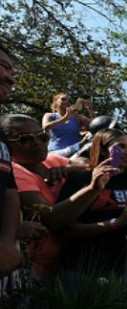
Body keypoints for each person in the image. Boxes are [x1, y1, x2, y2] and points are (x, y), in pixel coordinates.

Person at [0, 114, 95, 281]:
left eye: (42, 137)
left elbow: (91, 167)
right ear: (6, 144)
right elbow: (49, 219)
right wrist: (93, 188)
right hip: (29, 271)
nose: (38, 143)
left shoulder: (53, 161)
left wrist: (72, 170)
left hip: (62, 265)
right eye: (26, 139)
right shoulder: (14, 173)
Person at [56, 129, 127, 276]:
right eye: (121, 147)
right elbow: (66, 229)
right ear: (103, 150)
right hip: (79, 268)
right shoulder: (82, 180)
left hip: (121, 269)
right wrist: (116, 223)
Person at [0, 46, 22, 277]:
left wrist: (6, 242)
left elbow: (9, 192)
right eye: (4, 67)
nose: (11, 78)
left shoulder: (1, 138)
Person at [42, 93, 94, 157]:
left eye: (69, 100)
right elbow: (46, 127)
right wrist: (65, 118)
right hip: (55, 152)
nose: (67, 101)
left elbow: (97, 125)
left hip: (75, 153)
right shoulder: (49, 115)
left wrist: (90, 110)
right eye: (63, 99)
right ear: (56, 102)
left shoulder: (78, 117)